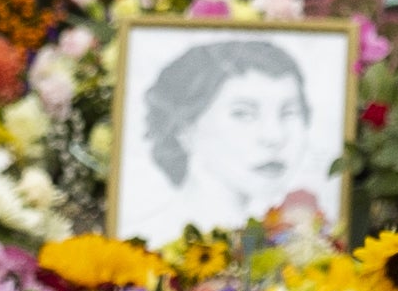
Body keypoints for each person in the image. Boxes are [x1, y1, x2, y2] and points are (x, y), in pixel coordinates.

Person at [127, 32, 324, 234]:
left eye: (289, 112)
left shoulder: (297, 242)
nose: (274, 137)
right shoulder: (150, 237)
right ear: (184, 129)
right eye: (244, 114)